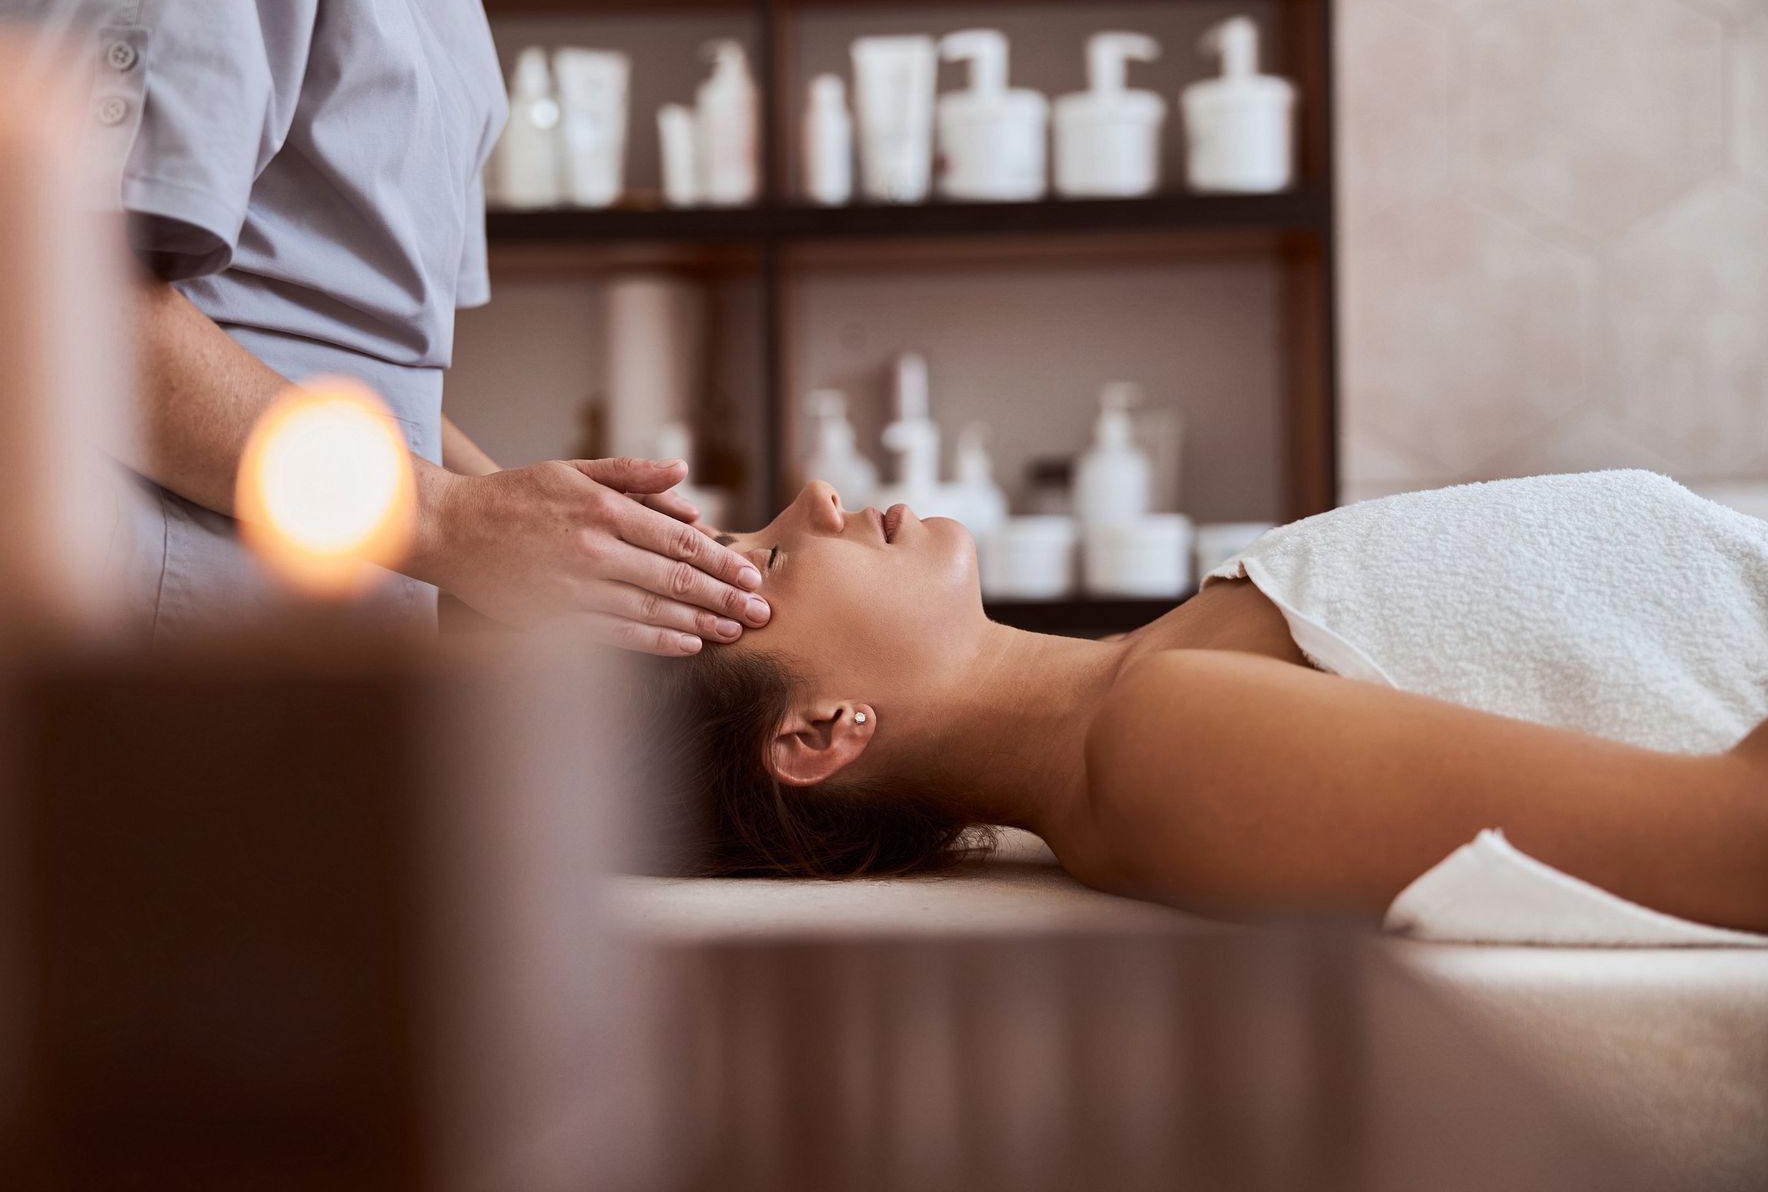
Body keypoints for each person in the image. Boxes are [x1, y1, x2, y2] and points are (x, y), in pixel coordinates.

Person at [0, 0, 767, 654]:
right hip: (162, 624)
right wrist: (453, 523)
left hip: (318, 631)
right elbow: (42, 296)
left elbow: (344, 347)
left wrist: (550, 537)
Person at [646, 472, 1768, 935]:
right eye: (776, 560)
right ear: (817, 731)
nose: (816, 497)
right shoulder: (1158, 746)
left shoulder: (1151, 676)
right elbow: (1740, 835)